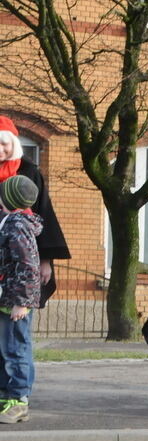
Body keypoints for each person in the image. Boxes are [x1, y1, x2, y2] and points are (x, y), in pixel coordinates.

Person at [0, 116, 70, 307]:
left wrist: (45, 260)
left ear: (12, 144)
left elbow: (43, 215)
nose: (0, 150)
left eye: (4, 144)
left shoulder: (28, 172)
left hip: (18, 264)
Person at [0, 176, 42, 424]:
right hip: (7, 297)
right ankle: (7, 396)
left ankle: (19, 401)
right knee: (5, 350)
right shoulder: (8, 222)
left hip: (15, 301)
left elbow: (29, 266)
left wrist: (22, 302)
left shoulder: (18, 226)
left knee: (16, 349)